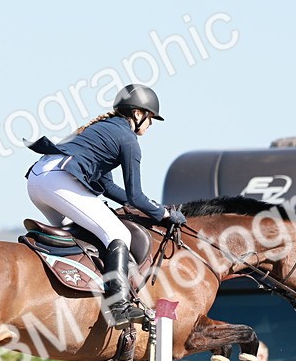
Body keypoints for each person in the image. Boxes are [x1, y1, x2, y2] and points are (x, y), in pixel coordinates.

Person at [26, 84, 188, 324]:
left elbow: (109, 188)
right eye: (150, 118)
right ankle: (118, 306)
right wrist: (163, 214)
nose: (151, 124)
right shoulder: (128, 140)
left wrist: (151, 207)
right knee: (117, 233)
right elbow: (135, 196)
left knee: (84, 236)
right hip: (57, 180)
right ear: (138, 114)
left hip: (38, 179)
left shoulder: (102, 129)